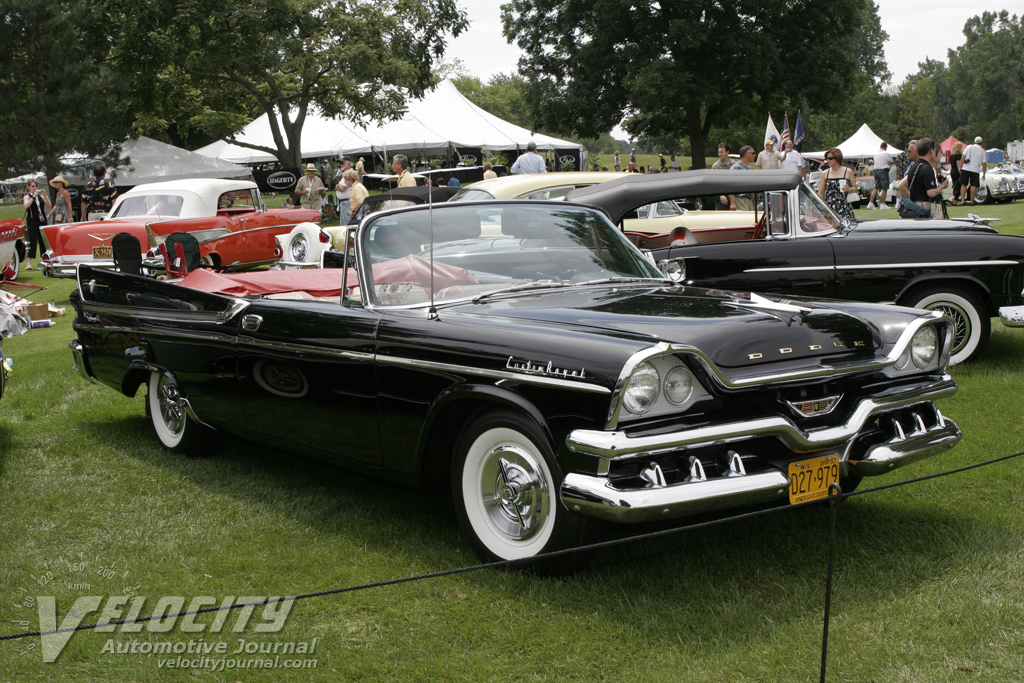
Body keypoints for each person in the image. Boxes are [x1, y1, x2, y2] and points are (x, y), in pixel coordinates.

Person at [896, 138, 948, 219]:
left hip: (917, 207)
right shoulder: (927, 169)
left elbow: (900, 185)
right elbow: (931, 193)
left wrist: (910, 196)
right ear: (931, 151)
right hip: (927, 207)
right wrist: (942, 187)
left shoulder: (913, 167)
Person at [816, 147, 857, 222]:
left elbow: (855, 188)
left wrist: (849, 189)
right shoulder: (825, 173)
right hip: (830, 207)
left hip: (844, 206)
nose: (828, 160)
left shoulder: (848, 171)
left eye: (830, 158)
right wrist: (819, 207)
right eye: (827, 158)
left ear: (837, 158)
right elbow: (821, 193)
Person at [22, 178, 50, 269]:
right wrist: (33, 196)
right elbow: (26, 206)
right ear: (29, 187)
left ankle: (44, 259)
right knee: (32, 240)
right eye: (33, 186)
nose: (35, 188)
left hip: (41, 220)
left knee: (43, 240)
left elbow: (49, 205)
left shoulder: (40, 197)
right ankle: (28, 262)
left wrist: (45, 196)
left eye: (36, 186)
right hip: (32, 220)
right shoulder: (27, 197)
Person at [961, 136, 987, 204]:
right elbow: (984, 163)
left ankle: (962, 200)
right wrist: (984, 174)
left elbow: (963, 157)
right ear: (981, 142)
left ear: (975, 141)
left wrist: (960, 166)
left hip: (966, 168)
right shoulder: (982, 151)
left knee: (964, 185)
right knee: (973, 185)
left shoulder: (969, 146)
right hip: (975, 170)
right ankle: (972, 201)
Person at [729, 146, 756, 211]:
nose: (754, 155)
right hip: (740, 200)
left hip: (748, 200)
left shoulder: (749, 168)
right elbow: (730, 185)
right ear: (747, 154)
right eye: (753, 153)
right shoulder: (736, 168)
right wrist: (733, 203)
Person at [868, 142, 894, 209]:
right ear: (885, 147)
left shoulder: (876, 154)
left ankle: (870, 203)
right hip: (883, 170)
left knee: (876, 188)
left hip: (876, 171)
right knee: (884, 188)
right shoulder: (886, 153)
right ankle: (883, 204)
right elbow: (891, 161)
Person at [712, 143, 733, 210]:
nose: (720, 154)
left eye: (722, 152)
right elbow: (715, 182)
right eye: (719, 152)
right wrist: (721, 195)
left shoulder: (734, 164)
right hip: (721, 195)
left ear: (727, 152)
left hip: (733, 195)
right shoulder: (716, 166)